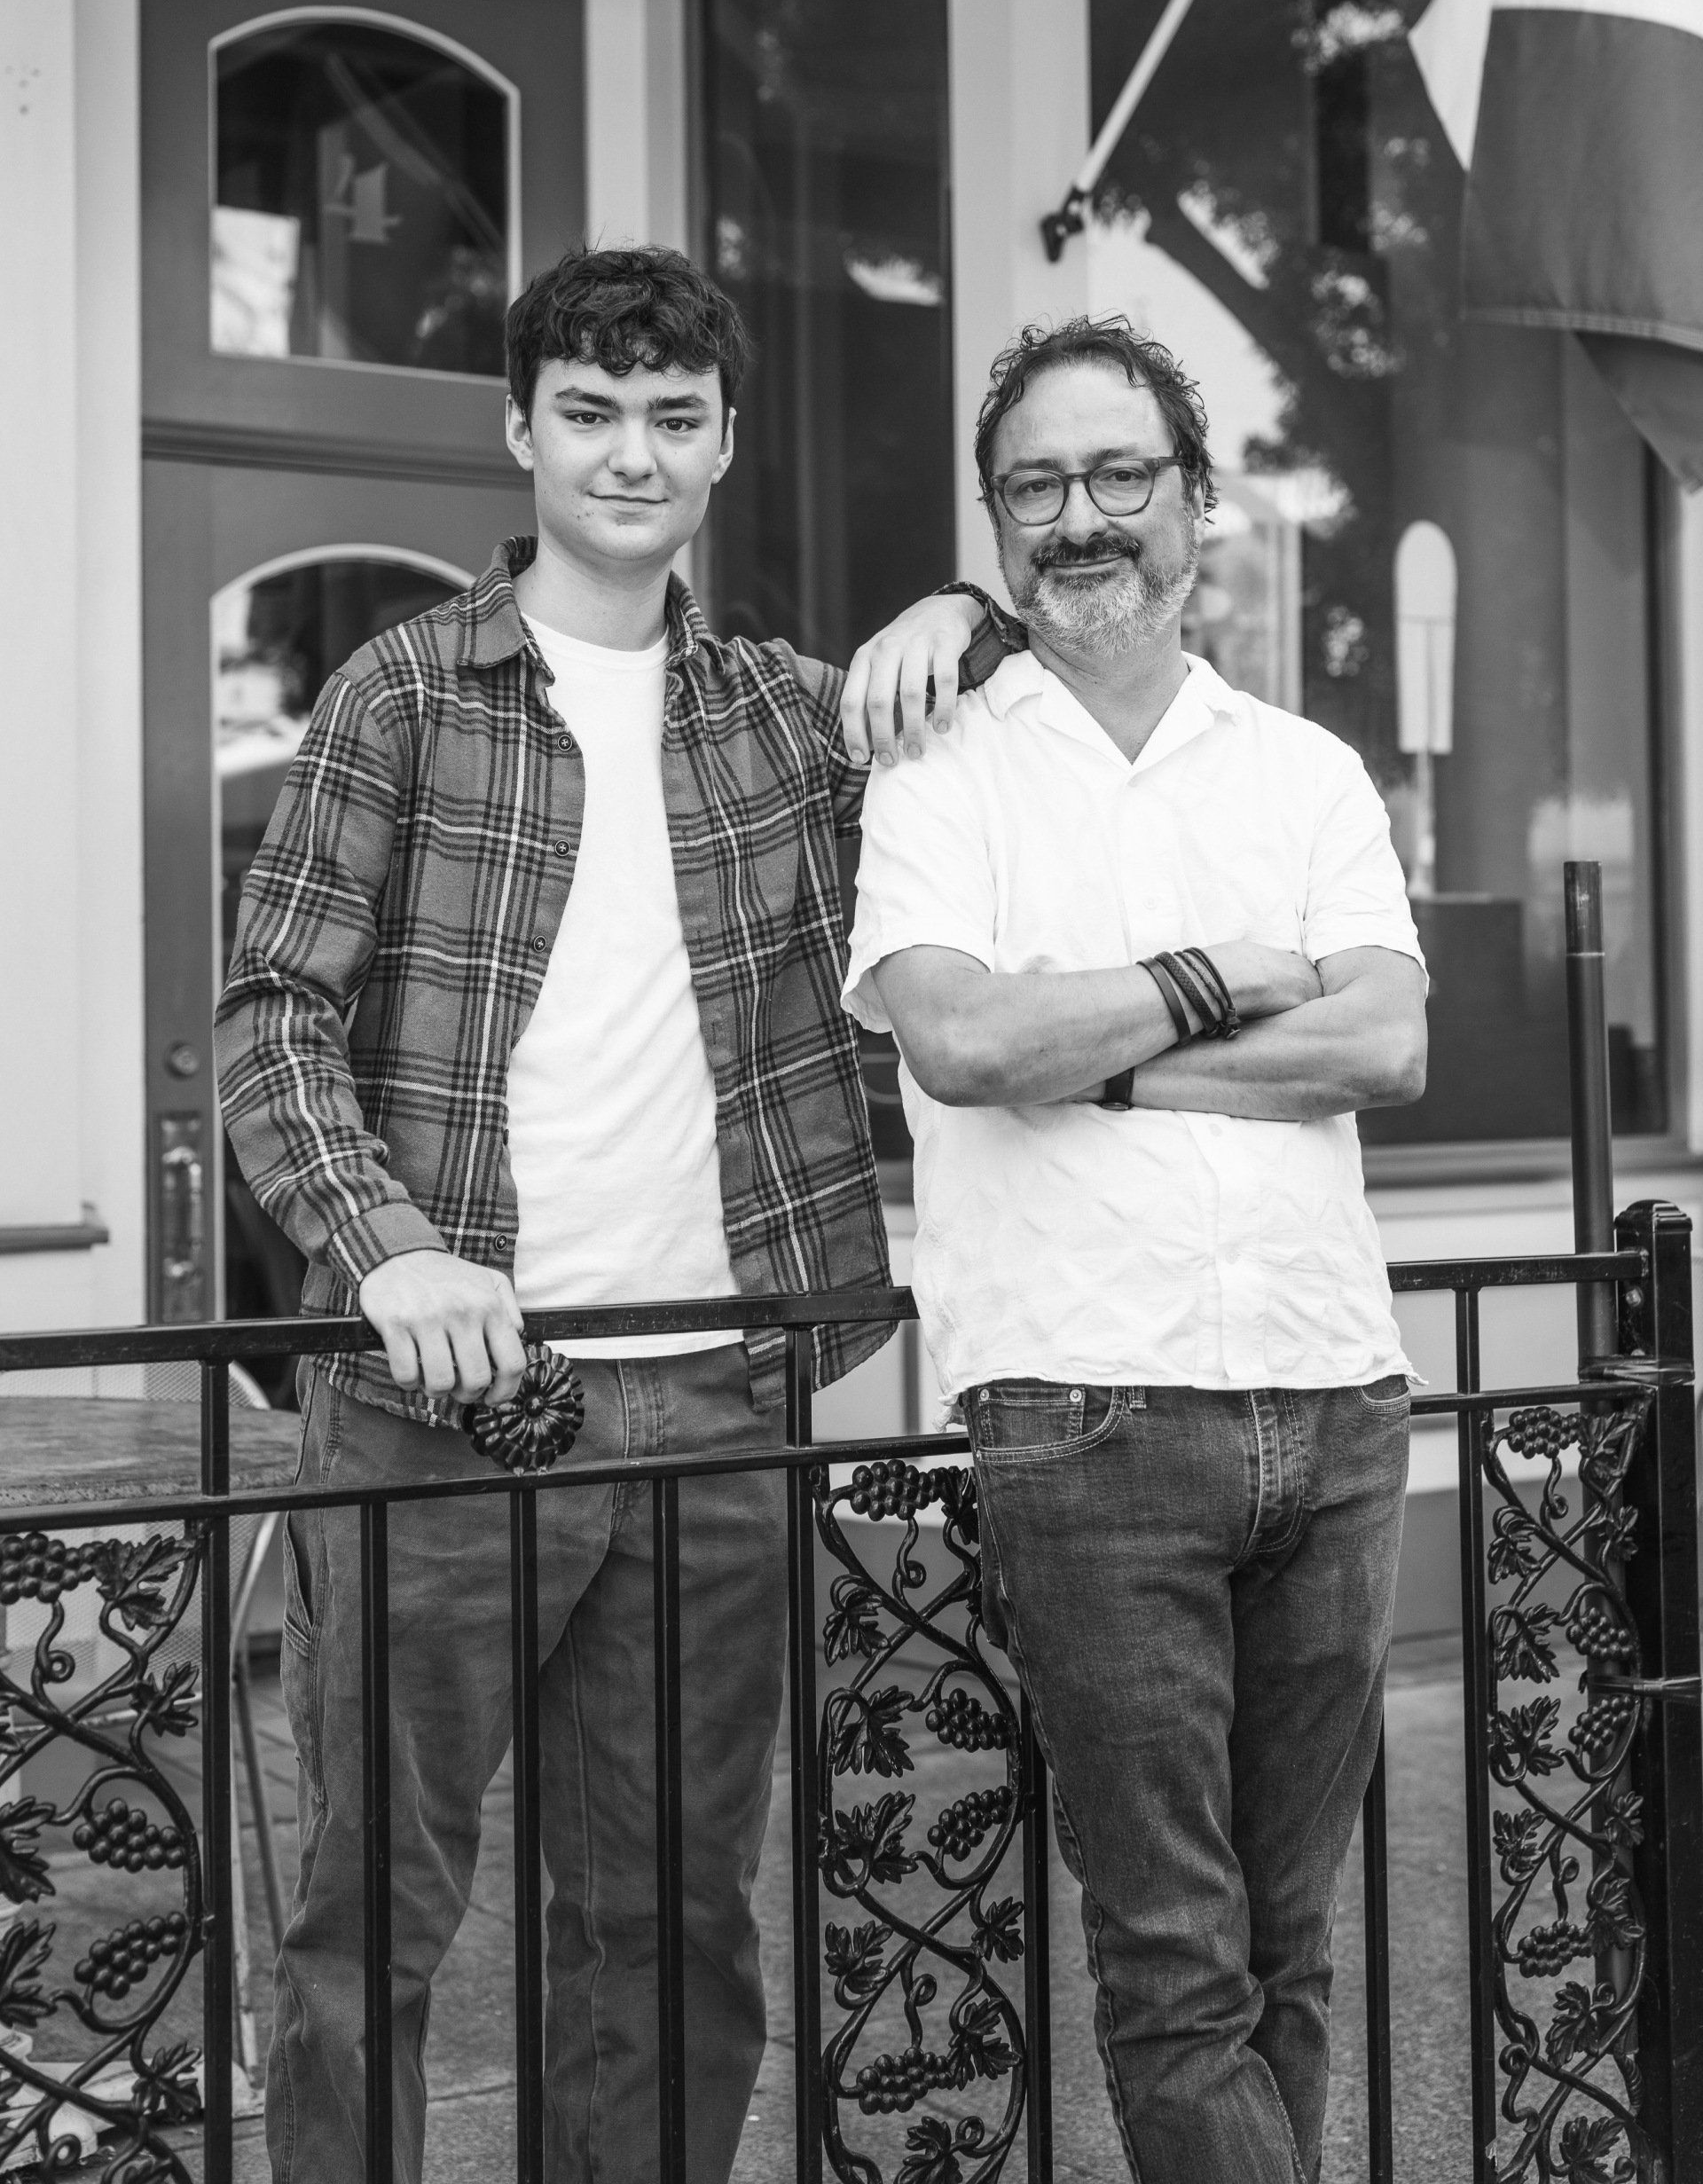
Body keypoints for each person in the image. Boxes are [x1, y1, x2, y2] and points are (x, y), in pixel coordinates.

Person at [215, 244, 1016, 2184]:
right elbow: (271, 1017)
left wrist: (968, 606)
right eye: (589, 413)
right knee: (364, 1927)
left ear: (726, 442)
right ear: (521, 431)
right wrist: (383, 1244)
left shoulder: (790, 718)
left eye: (672, 418)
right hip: (437, 1406)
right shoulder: (402, 693)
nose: (630, 454)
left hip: (724, 1410)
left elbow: (1029, 722)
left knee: (668, 1927)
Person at [844, 315, 1429, 2184]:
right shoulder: (942, 770)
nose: (1080, 518)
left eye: (1119, 477)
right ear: (997, 523)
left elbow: (1388, 1045)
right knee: (1180, 1957)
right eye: (1036, 485)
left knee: (1295, 1943)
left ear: (1195, 503)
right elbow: (966, 1043)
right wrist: (1225, 978)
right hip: (1088, 1416)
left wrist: (1100, 1054)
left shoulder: (1308, 772)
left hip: (1337, 1400)